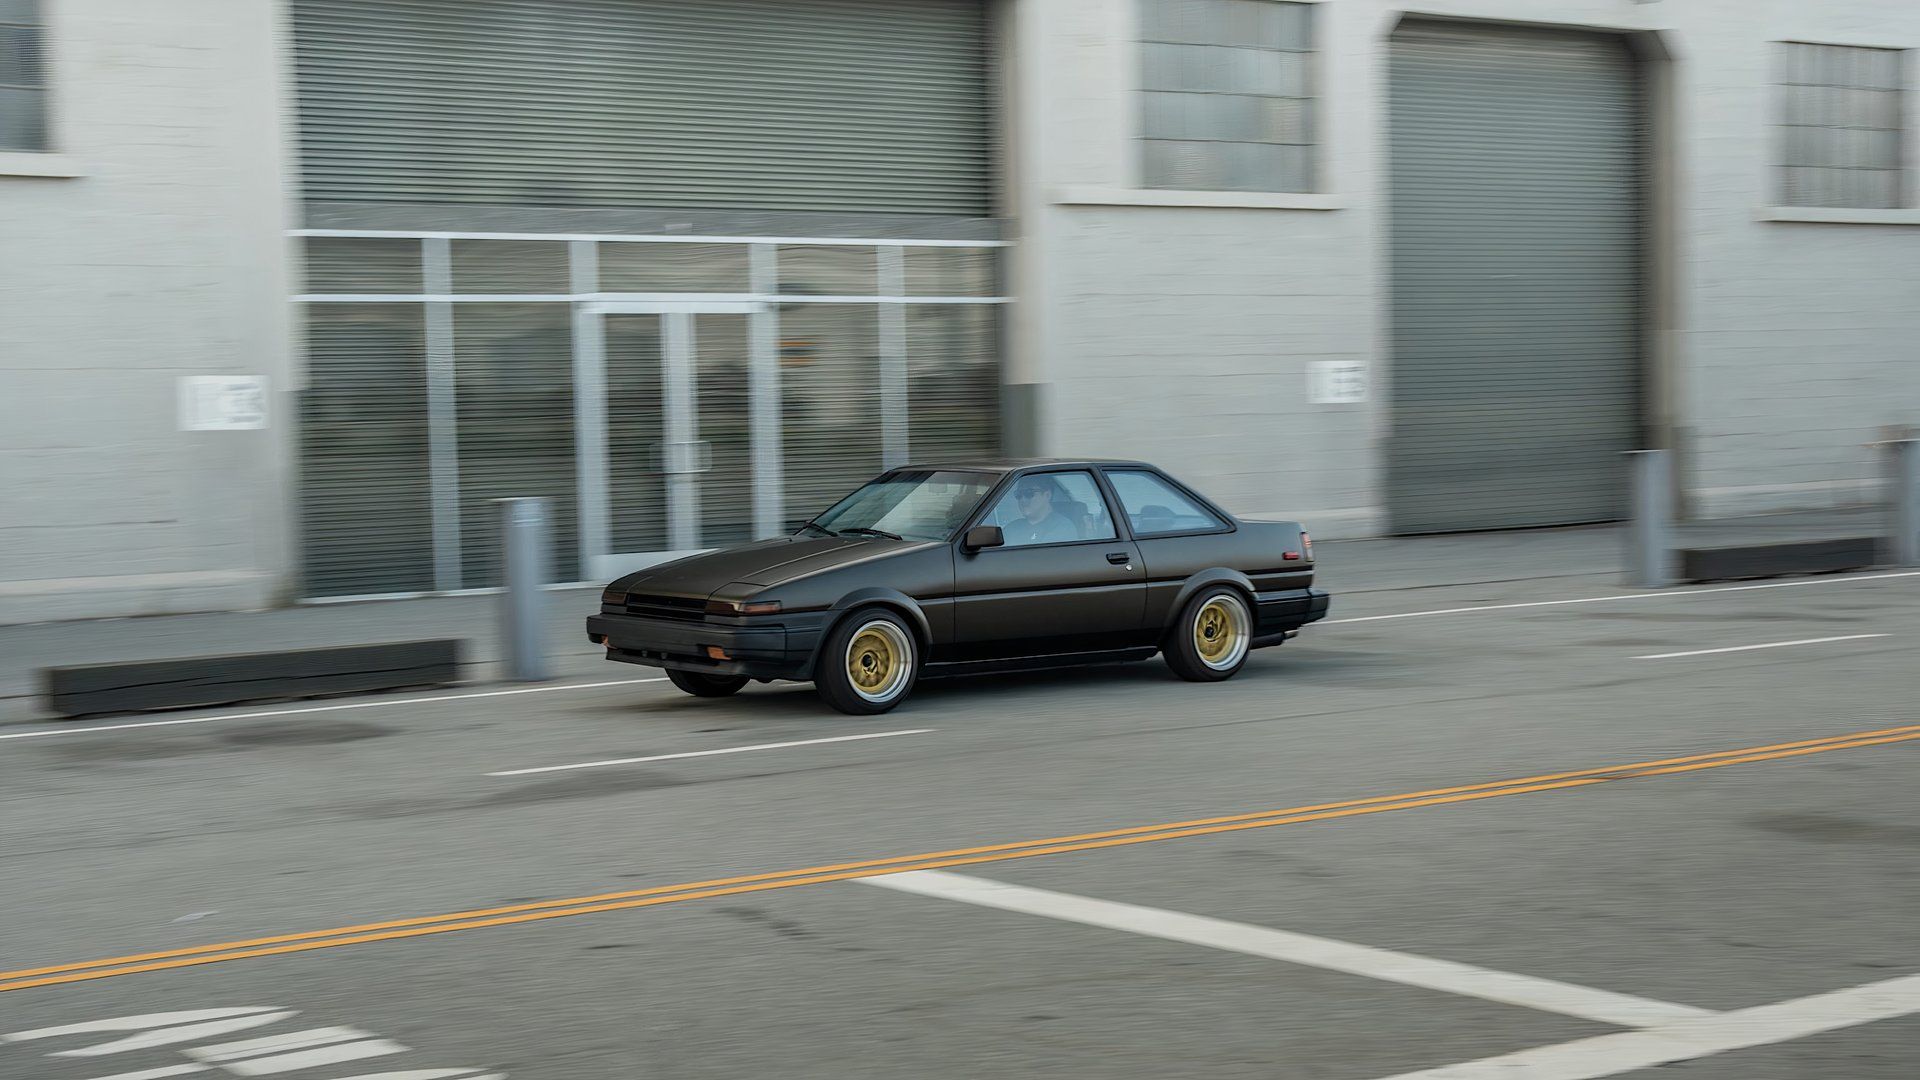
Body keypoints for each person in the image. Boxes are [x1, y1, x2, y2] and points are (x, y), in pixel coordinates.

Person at [1005, 478, 1079, 545]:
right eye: (1019, 494)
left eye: (1029, 493)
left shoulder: (1063, 527)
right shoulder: (1011, 528)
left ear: (1047, 495)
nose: (1023, 499)